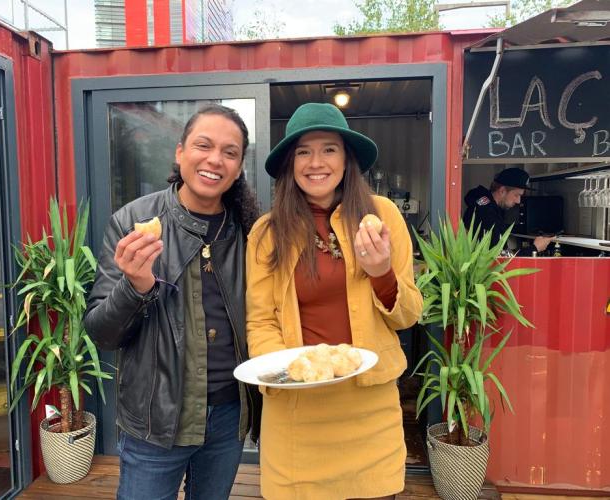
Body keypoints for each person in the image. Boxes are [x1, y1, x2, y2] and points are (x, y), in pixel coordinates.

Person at [245, 102, 423, 499]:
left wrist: (381, 273)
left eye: (329, 148)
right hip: (297, 411)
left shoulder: (383, 216)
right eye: (303, 151)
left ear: (347, 159)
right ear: (291, 164)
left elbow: (409, 315)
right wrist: (286, 374)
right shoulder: (266, 233)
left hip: (369, 406)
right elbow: (260, 322)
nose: (315, 162)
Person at [84, 104, 261, 500]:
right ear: (180, 152)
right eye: (204, 145)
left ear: (238, 166)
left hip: (229, 419)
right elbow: (102, 333)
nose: (215, 159)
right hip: (156, 422)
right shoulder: (134, 221)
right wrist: (135, 285)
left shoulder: (250, 230)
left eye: (230, 152)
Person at [463, 167, 554, 254]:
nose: (518, 201)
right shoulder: (487, 214)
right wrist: (535, 248)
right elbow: (499, 262)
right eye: (516, 195)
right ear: (502, 191)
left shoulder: (486, 207)